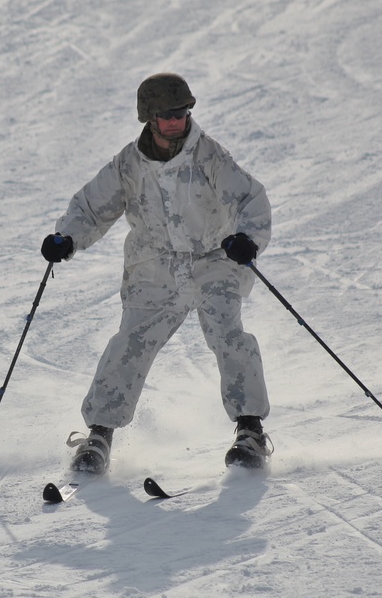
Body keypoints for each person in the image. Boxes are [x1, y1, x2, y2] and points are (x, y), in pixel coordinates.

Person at [41, 72, 273, 474]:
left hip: (212, 258)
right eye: (166, 114)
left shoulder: (208, 156)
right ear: (149, 117)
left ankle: (249, 431)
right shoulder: (129, 164)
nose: (175, 121)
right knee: (131, 342)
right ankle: (98, 436)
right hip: (154, 266)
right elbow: (92, 207)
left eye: (182, 112)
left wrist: (246, 239)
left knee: (227, 333)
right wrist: (67, 238)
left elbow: (248, 198)